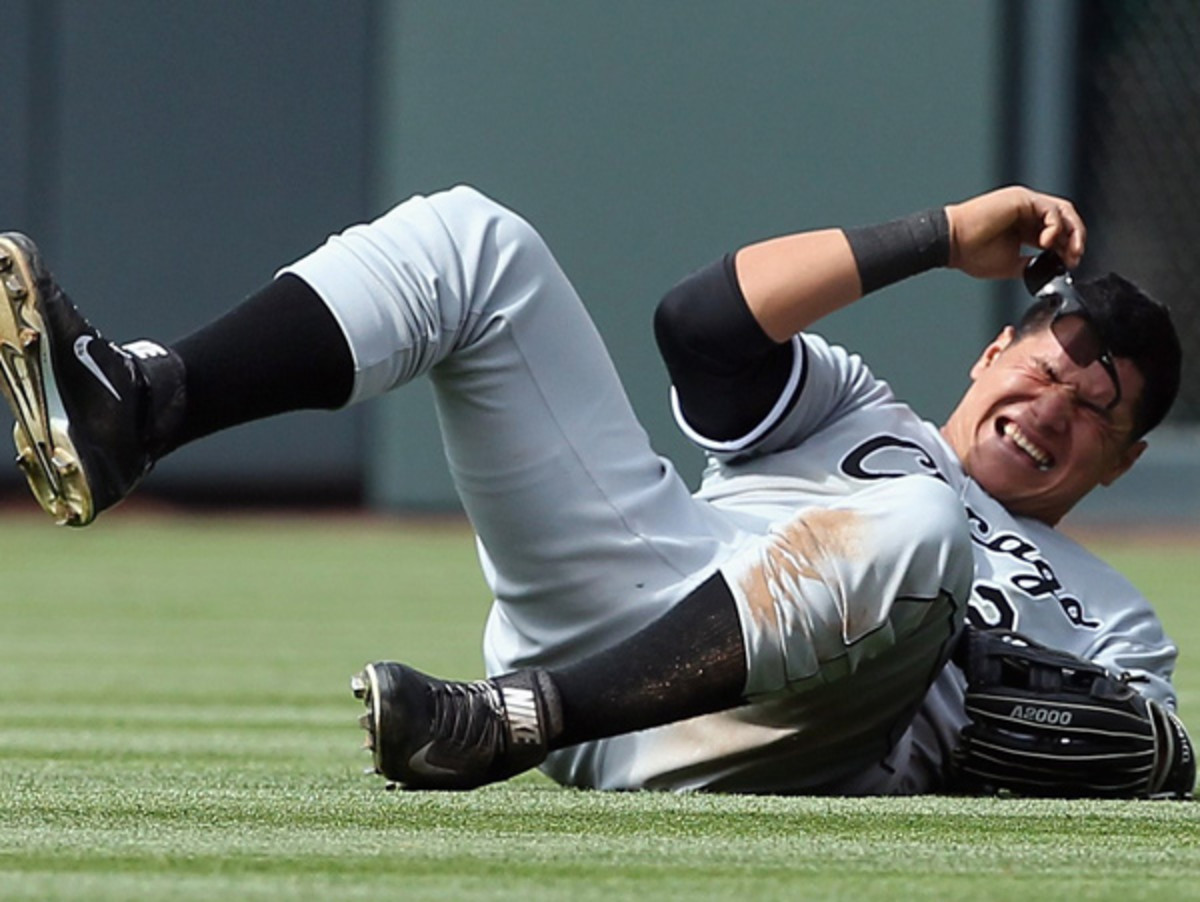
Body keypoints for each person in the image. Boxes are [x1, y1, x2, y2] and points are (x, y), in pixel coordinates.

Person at [0, 184, 1192, 797]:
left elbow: (1158, 749)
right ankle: (136, 406)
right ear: (991, 356)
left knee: (923, 528)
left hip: (779, 728)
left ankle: (511, 720)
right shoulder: (856, 408)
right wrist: (938, 232)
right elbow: (703, 321)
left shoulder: (1114, 611)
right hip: (647, 590)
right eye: (1048, 367)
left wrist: (1147, 748)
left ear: (1127, 461)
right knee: (475, 241)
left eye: (1100, 410)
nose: (1056, 410)